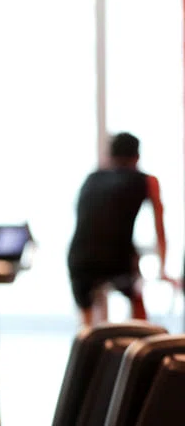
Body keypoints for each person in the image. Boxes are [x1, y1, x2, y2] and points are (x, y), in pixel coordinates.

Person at [67, 132, 177, 327]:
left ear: (111, 155)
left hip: (78, 258)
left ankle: (89, 342)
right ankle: (144, 341)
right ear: (137, 157)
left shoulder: (92, 178)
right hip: (115, 257)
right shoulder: (147, 181)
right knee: (137, 303)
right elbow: (159, 228)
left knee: (87, 326)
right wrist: (163, 269)